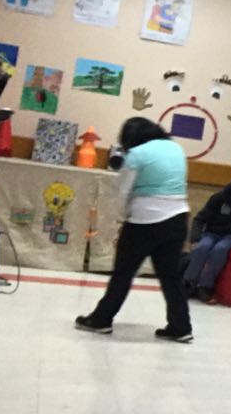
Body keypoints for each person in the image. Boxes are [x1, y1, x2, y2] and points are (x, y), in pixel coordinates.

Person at [75, 118, 193, 342]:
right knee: (170, 277)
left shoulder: (137, 154)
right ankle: (181, 327)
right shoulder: (176, 148)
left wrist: (123, 217)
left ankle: (101, 320)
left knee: (123, 273)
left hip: (144, 221)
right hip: (178, 217)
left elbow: (123, 191)